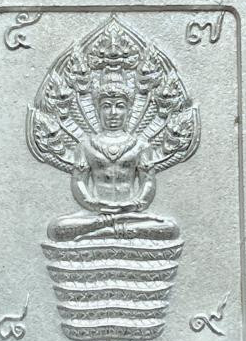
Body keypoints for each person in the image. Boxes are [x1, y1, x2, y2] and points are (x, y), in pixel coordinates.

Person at [47, 76, 179, 243]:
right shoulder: (86, 146)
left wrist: (135, 204)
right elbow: (79, 181)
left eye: (120, 106)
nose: (113, 113)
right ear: (97, 111)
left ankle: (105, 230)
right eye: (106, 106)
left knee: (170, 228)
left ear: (129, 111)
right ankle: (115, 228)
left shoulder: (141, 146)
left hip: (130, 213)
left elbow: (148, 182)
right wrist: (93, 204)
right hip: (96, 213)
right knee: (56, 228)